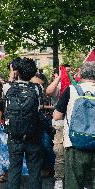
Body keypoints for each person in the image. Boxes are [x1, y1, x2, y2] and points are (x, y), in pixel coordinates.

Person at [53, 61, 95, 189]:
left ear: (80, 74)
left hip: (74, 143)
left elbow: (57, 116)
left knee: (74, 183)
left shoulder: (71, 90)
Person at [3, 57, 43, 189]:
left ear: (17, 72)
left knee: (14, 169)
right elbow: (39, 110)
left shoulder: (7, 87)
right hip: (33, 134)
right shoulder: (37, 88)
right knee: (35, 169)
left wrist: (12, 72)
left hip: (14, 135)